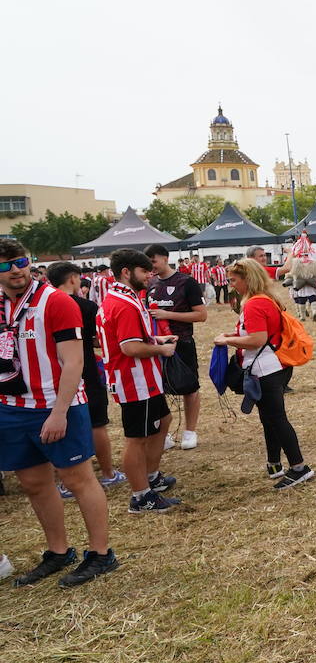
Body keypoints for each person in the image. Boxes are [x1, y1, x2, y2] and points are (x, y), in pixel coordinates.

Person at [0, 241, 117, 587]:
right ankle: (58, 551)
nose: (16, 270)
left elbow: (74, 361)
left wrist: (59, 411)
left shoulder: (56, 301)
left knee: (78, 479)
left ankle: (100, 553)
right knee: (34, 483)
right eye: (6, 266)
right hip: (12, 407)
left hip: (57, 405)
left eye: (20, 261)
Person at [214, 259, 313, 488]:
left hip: (265, 368)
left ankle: (299, 467)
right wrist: (232, 334)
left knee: (276, 419)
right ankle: (274, 463)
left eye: (233, 280)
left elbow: (256, 339)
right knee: (269, 418)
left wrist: (228, 340)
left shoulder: (254, 304)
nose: (231, 285)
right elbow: (256, 331)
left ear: (247, 279)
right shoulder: (263, 299)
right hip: (272, 365)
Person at [99, 249, 181, 513]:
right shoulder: (122, 303)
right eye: (145, 271)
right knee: (137, 438)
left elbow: (132, 339)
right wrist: (161, 349)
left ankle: (151, 476)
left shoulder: (124, 297)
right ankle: (140, 496)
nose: (149, 276)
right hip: (133, 379)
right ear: (126, 272)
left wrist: (156, 341)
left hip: (143, 377)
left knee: (163, 421)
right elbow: (130, 348)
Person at [46, 263, 124, 492]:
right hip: (85, 369)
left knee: (60, 423)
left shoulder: (43, 306)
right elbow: (98, 339)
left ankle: (65, 481)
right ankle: (108, 473)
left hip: (54, 373)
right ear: (72, 279)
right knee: (97, 423)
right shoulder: (87, 306)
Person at [145, 244, 207, 450]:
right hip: (157, 345)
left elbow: (201, 315)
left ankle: (190, 431)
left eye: (153, 261)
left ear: (165, 258)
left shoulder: (186, 282)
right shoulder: (150, 284)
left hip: (183, 343)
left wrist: (167, 314)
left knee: (190, 387)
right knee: (159, 389)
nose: (151, 266)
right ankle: (165, 433)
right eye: (148, 263)